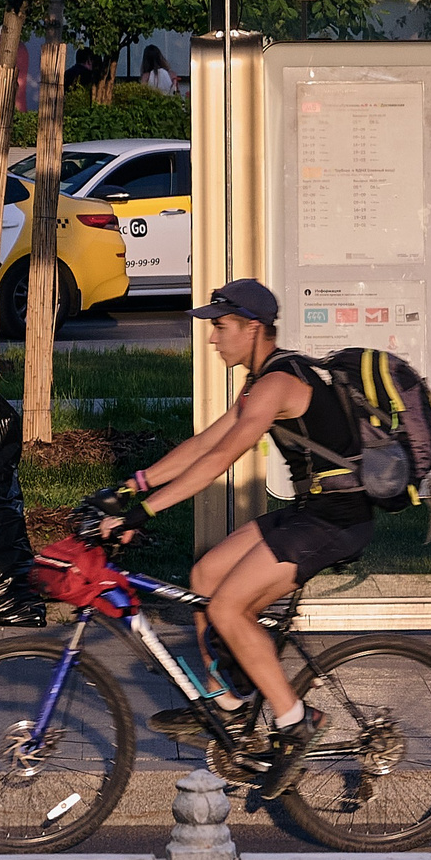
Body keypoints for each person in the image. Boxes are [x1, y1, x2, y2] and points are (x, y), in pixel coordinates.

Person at [91, 280, 371, 796]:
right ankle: (229, 705)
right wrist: (133, 486)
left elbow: (223, 460)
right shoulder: (263, 380)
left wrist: (144, 514)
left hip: (337, 520)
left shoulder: (276, 385)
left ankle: (295, 720)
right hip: (314, 510)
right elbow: (206, 441)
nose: (213, 338)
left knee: (227, 610)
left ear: (253, 328)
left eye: (221, 327)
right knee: (206, 576)